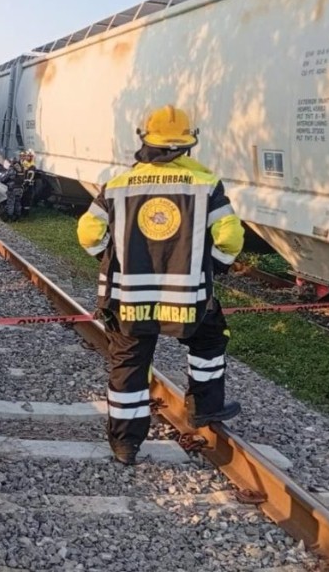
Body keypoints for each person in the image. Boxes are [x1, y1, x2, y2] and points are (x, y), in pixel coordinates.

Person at [77, 105, 245, 465]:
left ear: (145, 139)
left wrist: (107, 258)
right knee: (210, 339)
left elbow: (88, 233)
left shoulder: (117, 185)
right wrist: (214, 267)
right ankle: (204, 408)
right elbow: (230, 237)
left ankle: (125, 445)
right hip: (188, 297)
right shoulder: (205, 184)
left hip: (129, 299)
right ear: (188, 144)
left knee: (129, 364)